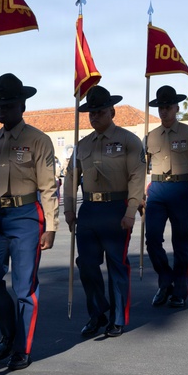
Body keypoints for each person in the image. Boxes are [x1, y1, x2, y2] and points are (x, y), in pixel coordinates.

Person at [0, 73, 57, 370]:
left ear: (22, 105)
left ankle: (22, 348)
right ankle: (9, 332)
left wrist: (51, 226)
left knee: (24, 287)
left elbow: (49, 186)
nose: (2, 111)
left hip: (25, 216)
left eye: (9, 105)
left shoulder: (38, 140)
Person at [62, 86, 145, 338]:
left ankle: (118, 318)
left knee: (117, 264)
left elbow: (137, 177)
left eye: (99, 111)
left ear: (112, 111)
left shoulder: (128, 140)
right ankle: (97, 313)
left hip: (116, 209)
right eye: (91, 112)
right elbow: (70, 178)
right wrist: (68, 209)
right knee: (86, 265)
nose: (94, 116)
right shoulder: (82, 145)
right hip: (88, 209)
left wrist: (131, 210)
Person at [143, 85, 188, 308]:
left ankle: (179, 290)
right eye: (160, 107)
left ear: (176, 108)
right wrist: (142, 193)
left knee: (181, 241)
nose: (164, 111)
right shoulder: (150, 137)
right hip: (157, 190)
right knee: (151, 239)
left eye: (168, 107)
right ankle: (165, 280)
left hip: (181, 189)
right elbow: (142, 168)